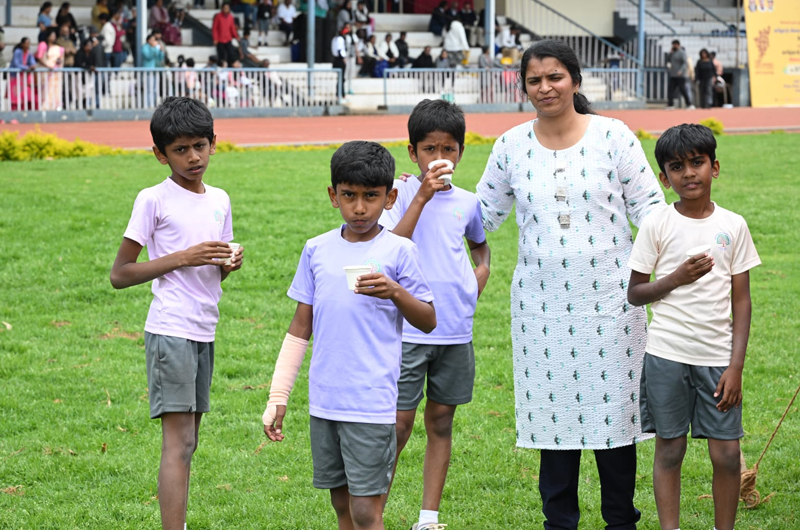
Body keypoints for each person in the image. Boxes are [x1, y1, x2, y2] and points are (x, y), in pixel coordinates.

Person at [475, 39, 666, 530]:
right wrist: (418, 197)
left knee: (616, 421)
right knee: (552, 420)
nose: (545, 87)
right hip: (541, 311)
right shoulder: (510, 146)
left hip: (613, 304)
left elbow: (651, 211)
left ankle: (621, 520)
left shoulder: (613, 136)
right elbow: (481, 217)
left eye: (555, 77)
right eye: (534, 80)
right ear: (523, 87)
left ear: (576, 81)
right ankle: (558, 523)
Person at [262, 140, 436, 530]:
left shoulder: (399, 251)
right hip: (325, 403)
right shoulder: (316, 250)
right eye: (349, 196)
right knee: (342, 508)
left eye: (371, 197)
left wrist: (394, 291)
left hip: (371, 404)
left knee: (366, 512)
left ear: (390, 197)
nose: (359, 208)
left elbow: (428, 319)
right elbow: (299, 327)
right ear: (333, 195)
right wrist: (278, 397)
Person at [110, 97, 243, 530]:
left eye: (199, 146)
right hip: (171, 329)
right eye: (180, 150)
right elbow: (121, 274)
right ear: (159, 154)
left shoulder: (220, 198)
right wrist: (183, 257)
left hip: (205, 329)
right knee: (179, 442)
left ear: (213, 144)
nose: (193, 157)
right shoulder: (153, 199)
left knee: (190, 441)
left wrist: (225, 265)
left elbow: (213, 275)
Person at [627, 123, 760, 530]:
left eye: (697, 163)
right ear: (665, 179)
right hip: (666, 356)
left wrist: (735, 366)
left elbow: (742, 300)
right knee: (669, 450)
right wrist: (677, 278)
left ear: (714, 167)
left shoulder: (733, 225)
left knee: (725, 455)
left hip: (719, 359)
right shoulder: (657, 224)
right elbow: (636, 292)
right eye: (677, 167)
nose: (689, 173)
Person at [379, 99, 490, 530]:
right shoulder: (398, 193)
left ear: (461, 151)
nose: (439, 158)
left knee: (441, 421)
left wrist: (480, 273)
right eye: (429, 149)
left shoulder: (469, 201)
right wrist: (421, 195)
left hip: (456, 330)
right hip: (406, 331)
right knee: (398, 427)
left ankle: (428, 517)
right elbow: (389, 247)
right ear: (413, 153)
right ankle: (374, 514)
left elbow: (478, 244)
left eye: (448, 149)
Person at [36, 28, 65, 110]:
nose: (54, 37)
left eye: (54, 35)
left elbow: (61, 61)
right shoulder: (44, 45)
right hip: (46, 72)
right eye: (52, 35)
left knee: (56, 89)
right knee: (46, 90)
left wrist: (59, 66)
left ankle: (57, 106)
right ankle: (46, 107)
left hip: (56, 72)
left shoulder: (59, 48)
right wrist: (49, 67)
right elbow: (40, 58)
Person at [9, 38, 39, 111]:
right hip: (15, 77)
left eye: (29, 43)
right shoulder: (17, 52)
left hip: (23, 78)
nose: (28, 45)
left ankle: (23, 111)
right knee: (15, 96)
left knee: (24, 95)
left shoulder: (28, 53)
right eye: (26, 43)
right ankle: (14, 112)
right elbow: (16, 64)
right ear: (22, 44)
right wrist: (28, 67)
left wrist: (33, 66)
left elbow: (33, 63)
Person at [666, 39, 694, 110]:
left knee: (683, 90)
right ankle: (670, 105)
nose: (673, 46)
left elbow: (685, 63)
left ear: (678, 45)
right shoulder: (673, 53)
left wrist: (681, 71)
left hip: (681, 75)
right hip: (673, 75)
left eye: (674, 45)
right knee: (671, 90)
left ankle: (689, 104)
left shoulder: (682, 53)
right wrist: (670, 53)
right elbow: (668, 60)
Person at [141, 32, 166, 107]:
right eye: (153, 40)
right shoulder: (145, 47)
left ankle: (154, 104)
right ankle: (147, 105)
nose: (155, 41)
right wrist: (155, 49)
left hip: (156, 71)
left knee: (155, 90)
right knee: (148, 89)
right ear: (148, 40)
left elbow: (160, 58)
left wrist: (161, 51)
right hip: (148, 72)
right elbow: (148, 56)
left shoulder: (155, 48)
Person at [331, 25, 349, 97]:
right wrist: (343, 59)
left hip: (336, 59)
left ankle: (340, 93)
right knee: (341, 78)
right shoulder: (340, 39)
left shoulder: (334, 39)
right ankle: (341, 94)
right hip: (340, 60)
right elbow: (340, 50)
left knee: (340, 78)